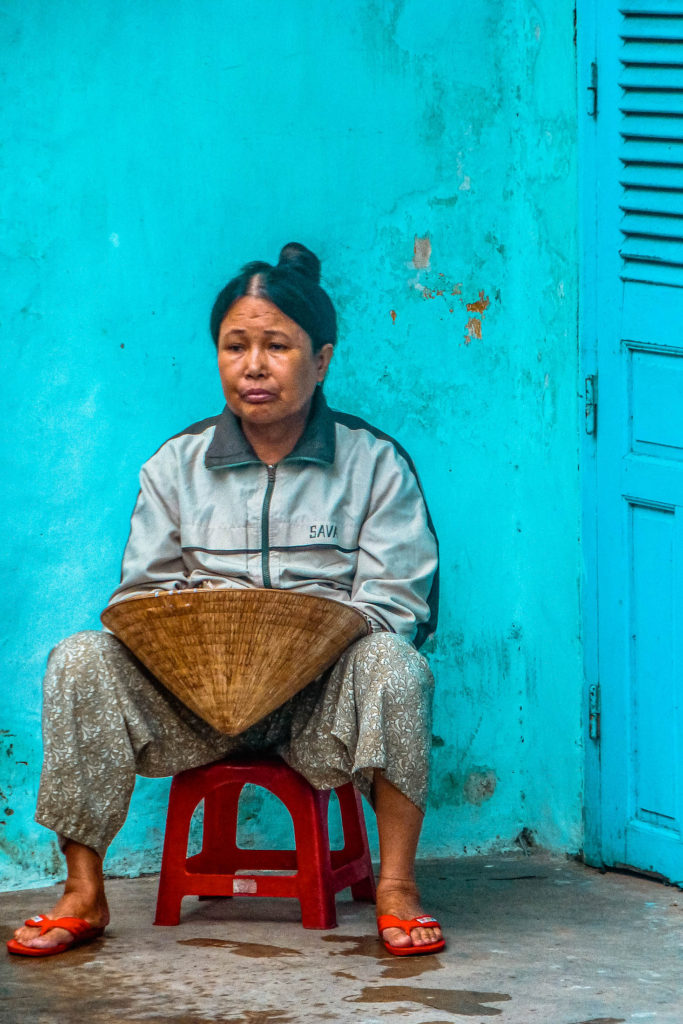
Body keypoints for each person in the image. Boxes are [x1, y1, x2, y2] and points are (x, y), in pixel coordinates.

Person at [9, 243, 443, 959]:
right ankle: (83, 891)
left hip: (320, 707)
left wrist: (295, 644)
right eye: (235, 346)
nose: (253, 366)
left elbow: (397, 604)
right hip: (194, 704)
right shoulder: (174, 465)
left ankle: (396, 888)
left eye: (277, 346)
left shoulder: (373, 463)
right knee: (81, 658)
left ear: (322, 359)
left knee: (396, 666)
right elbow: (141, 594)